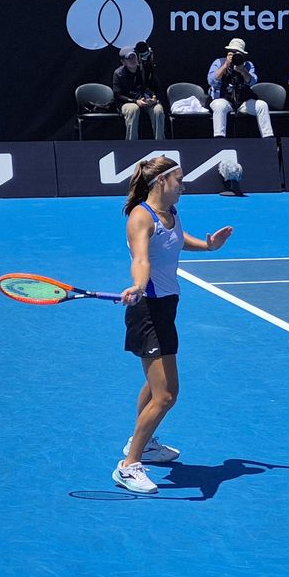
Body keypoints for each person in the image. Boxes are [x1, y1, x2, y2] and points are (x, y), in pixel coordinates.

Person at [115, 156, 233, 496]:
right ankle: (128, 466)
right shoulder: (141, 216)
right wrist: (138, 286)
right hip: (147, 309)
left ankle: (143, 442)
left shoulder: (171, 213)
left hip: (167, 308)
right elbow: (141, 259)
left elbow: (177, 241)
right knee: (166, 395)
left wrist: (208, 245)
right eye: (179, 179)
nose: (183, 185)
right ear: (161, 182)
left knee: (157, 387)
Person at [208, 38, 273, 138]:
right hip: (224, 99)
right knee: (219, 105)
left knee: (262, 105)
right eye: (232, 52)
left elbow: (252, 82)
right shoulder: (219, 62)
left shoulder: (247, 65)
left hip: (243, 102)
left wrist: (242, 70)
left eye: (237, 53)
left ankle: (268, 138)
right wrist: (225, 65)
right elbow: (212, 81)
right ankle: (219, 138)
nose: (234, 55)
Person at [112, 45, 165, 139]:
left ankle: (160, 142)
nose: (132, 60)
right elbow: (118, 95)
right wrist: (135, 101)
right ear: (123, 62)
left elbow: (156, 88)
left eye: (134, 57)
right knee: (133, 109)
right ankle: (132, 144)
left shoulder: (146, 69)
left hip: (146, 101)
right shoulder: (118, 73)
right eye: (129, 58)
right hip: (128, 102)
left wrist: (154, 99)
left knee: (158, 110)